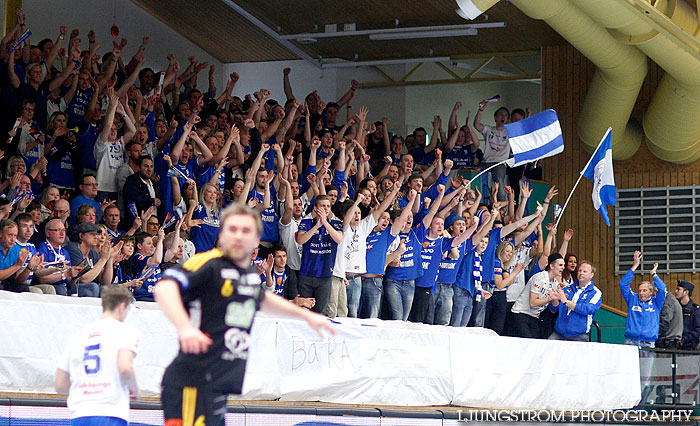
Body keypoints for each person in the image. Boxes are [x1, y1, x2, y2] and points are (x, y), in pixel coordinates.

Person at [154, 204, 334, 426]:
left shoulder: (247, 273)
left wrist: (306, 316)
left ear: (257, 239)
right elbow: (164, 288)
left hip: (217, 383)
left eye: (245, 230)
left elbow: (261, 298)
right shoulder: (208, 264)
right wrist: (185, 327)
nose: (238, 236)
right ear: (222, 233)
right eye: (232, 229)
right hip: (193, 381)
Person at [54, 285, 140, 426]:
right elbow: (125, 366)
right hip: (110, 412)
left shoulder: (79, 335)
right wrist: (135, 390)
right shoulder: (125, 331)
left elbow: (59, 384)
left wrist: (84, 390)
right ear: (121, 306)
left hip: (80, 414)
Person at [510, 254, 565, 338]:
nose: (563, 267)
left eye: (564, 265)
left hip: (534, 316)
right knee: (528, 343)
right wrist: (550, 298)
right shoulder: (540, 278)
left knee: (536, 344)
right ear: (551, 266)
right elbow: (533, 302)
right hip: (520, 313)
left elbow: (553, 309)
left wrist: (557, 298)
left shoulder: (555, 284)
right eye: (560, 265)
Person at [619, 251, 666, 348]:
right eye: (639, 290)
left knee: (646, 364)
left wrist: (654, 274)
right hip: (631, 342)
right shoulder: (633, 299)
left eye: (644, 290)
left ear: (651, 292)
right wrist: (635, 266)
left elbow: (662, 289)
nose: (641, 293)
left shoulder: (656, 303)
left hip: (648, 343)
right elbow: (623, 284)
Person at [548, 260, 602, 342]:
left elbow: (585, 309)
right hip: (559, 333)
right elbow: (553, 310)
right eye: (580, 270)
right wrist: (554, 300)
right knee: (546, 351)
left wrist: (566, 302)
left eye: (585, 271)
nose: (581, 273)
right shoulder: (567, 288)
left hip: (579, 336)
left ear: (592, 275)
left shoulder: (595, 292)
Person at [675, 280, 700, 350]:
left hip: (689, 346)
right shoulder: (675, 307)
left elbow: (698, 330)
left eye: (678, 289)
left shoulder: (695, 310)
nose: (676, 291)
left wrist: (684, 339)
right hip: (675, 346)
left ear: (686, 292)